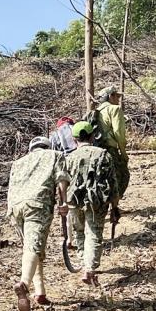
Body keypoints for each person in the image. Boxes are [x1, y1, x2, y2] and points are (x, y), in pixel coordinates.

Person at [6, 134, 70, 311]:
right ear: (47, 146)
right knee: (33, 248)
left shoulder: (18, 162)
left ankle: (40, 292)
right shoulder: (55, 155)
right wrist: (63, 202)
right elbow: (61, 179)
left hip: (15, 207)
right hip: (37, 204)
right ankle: (24, 284)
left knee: (31, 248)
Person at [64, 121, 118, 286]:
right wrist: (115, 206)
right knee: (94, 233)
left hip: (73, 201)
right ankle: (90, 268)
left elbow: (62, 182)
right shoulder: (103, 155)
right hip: (97, 202)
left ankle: (84, 261)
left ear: (74, 139)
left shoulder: (69, 158)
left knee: (79, 232)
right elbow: (113, 183)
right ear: (93, 136)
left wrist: (62, 203)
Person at [94, 84, 131, 200]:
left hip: (96, 150)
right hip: (110, 149)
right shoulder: (115, 109)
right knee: (122, 175)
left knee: (102, 178)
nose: (118, 99)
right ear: (110, 96)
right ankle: (114, 205)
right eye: (116, 96)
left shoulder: (97, 111)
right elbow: (119, 133)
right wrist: (123, 154)